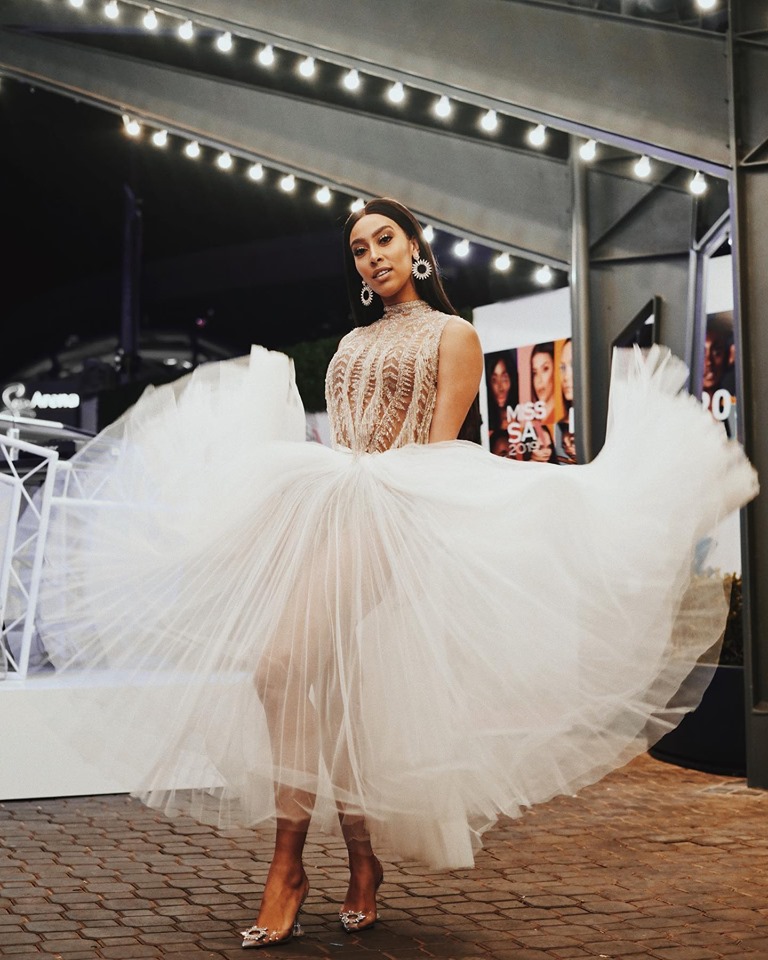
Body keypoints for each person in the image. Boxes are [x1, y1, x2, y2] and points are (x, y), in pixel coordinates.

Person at [36, 198, 758, 953]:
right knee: (334, 692)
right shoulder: (352, 341)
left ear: (416, 247)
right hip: (326, 509)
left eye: (385, 239)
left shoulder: (455, 334)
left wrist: (389, 509)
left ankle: (286, 867)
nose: (373, 255)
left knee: (278, 667)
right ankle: (361, 864)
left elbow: (435, 456)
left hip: (394, 515)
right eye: (359, 248)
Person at [485, 351, 518, 433]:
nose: (500, 388)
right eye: (494, 380)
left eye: (504, 378)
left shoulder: (522, 414)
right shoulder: (484, 423)